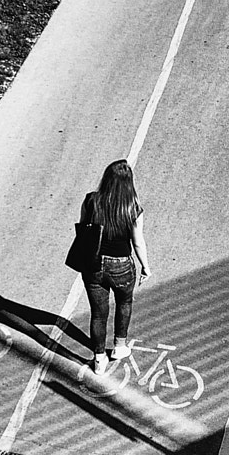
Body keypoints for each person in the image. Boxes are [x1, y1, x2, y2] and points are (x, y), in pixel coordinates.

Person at [78, 159, 152, 374]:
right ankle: (120, 346)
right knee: (124, 302)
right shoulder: (133, 208)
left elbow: (83, 228)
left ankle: (99, 358)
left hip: (94, 264)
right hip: (121, 265)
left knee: (98, 314)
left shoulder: (91, 201)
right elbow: (138, 242)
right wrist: (145, 266)